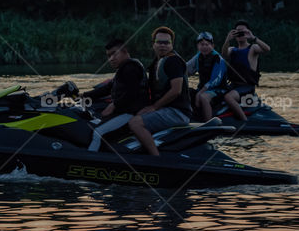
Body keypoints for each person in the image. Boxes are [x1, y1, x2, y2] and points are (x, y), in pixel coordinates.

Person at [128, 26, 191, 156]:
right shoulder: (156, 63)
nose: (163, 45)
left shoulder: (173, 61)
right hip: (166, 110)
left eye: (166, 42)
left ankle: (155, 158)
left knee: (135, 123)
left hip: (177, 112)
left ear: (172, 44)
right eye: (159, 42)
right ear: (153, 44)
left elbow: (176, 90)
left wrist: (154, 107)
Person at [85, 39, 148, 151]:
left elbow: (132, 93)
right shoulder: (124, 69)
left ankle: (87, 162)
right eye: (109, 56)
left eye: (114, 54)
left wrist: (114, 105)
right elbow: (108, 88)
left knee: (97, 133)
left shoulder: (131, 68)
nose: (111, 59)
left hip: (130, 114)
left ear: (124, 51)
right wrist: (84, 96)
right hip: (123, 112)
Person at [221, 20, 269, 121]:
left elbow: (267, 49)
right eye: (237, 31)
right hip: (234, 85)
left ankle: (244, 121)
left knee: (228, 97)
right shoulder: (232, 49)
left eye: (243, 31)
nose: (240, 34)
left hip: (247, 87)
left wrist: (254, 38)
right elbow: (224, 55)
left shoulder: (253, 48)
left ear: (248, 32)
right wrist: (227, 40)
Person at [186, 31, 226, 123]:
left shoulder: (218, 59)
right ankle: (190, 118)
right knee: (186, 92)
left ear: (212, 46)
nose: (204, 47)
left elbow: (216, 80)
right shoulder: (198, 57)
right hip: (203, 89)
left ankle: (208, 123)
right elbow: (187, 69)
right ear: (198, 46)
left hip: (219, 89)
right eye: (201, 44)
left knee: (203, 97)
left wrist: (200, 93)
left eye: (207, 44)